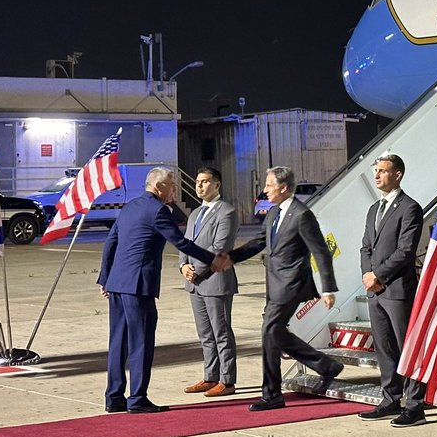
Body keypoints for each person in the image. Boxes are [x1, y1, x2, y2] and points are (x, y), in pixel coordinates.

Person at [98, 166, 229, 414]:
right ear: (158, 187)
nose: (174, 189)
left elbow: (111, 242)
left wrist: (106, 278)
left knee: (118, 342)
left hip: (118, 284)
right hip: (138, 286)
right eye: (171, 185)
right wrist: (213, 259)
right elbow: (181, 243)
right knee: (141, 342)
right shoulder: (158, 210)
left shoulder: (130, 206)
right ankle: (137, 399)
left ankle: (114, 397)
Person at [230, 166, 342, 411]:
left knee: (269, 330)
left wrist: (328, 288)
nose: (265, 190)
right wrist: (230, 257)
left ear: (283, 187)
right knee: (273, 334)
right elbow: (259, 243)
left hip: (292, 284)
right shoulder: (272, 215)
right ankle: (325, 366)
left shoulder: (302, 215)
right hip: (273, 283)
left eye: (269, 185)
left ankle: (272, 395)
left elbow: (320, 251)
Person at [356, 154, 427, 427]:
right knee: (385, 348)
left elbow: (405, 251)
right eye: (376, 171)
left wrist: (379, 275)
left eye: (383, 171)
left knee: (407, 347)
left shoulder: (409, 208)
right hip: (375, 290)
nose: (377, 176)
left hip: (397, 290)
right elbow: (366, 247)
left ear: (397, 175)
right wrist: (367, 275)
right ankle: (390, 398)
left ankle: (415, 405)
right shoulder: (374, 209)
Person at [178, 168, 239, 398]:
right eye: (197, 182)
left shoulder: (227, 212)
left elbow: (220, 247)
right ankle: (210, 376)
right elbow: (184, 243)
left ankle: (227, 380)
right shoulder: (195, 214)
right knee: (205, 334)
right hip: (195, 284)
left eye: (205, 182)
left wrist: (198, 271)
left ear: (217, 185)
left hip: (215, 281)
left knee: (221, 332)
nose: (199, 186)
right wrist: (183, 266)